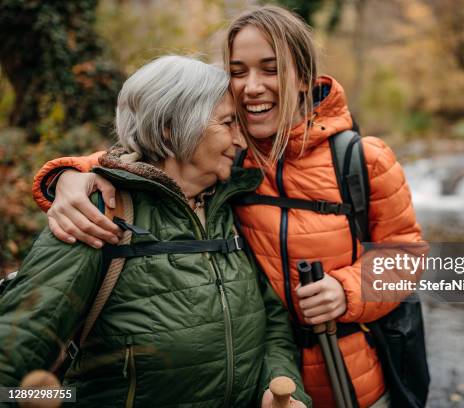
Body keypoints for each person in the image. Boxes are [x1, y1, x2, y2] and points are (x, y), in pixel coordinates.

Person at [31, 6, 423, 407]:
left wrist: (347, 290)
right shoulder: (227, 154)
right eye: (238, 71)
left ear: (304, 77)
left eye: (270, 69)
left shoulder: (362, 159)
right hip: (257, 387)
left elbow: (408, 258)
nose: (252, 86)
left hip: (353, 384)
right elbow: (146, 157)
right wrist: (70, 174)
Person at [2, 55, 310, 408]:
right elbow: (13, 357)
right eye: (228, 123)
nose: (242, 140)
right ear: (170, 127)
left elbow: (272, 326)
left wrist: (280, 389)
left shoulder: (229, 209)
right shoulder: (99, 214)